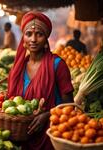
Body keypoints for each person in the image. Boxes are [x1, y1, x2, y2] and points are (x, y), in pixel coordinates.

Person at [7, 11, 74, 150]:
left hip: (50, 136)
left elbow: (69, 105)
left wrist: (47, 115)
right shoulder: (19, 68)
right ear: (23, 39)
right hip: (22, 138)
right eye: (29, 34)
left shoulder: (57, 65)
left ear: (46, 39)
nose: (33, 39)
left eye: (39, 34)